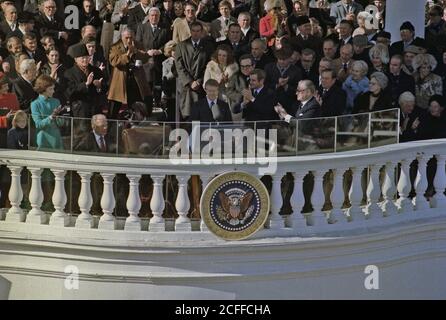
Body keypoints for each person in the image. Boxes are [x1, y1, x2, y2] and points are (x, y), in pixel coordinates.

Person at [175, 21, 213, 120]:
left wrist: (199, 81)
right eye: (193, 31)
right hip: (186, 86)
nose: (196, 33)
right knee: (186, 116)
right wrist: (190, 82)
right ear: (190, 32)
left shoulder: (208, 46)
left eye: (198, 31)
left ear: (201, 32)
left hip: (201, 86)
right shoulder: (181, 46)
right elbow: (179, 66)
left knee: (200, 116)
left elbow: (209, 66)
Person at [64, 43, 106, 118]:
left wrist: (99, 86)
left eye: (87, 57)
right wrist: (85, 84)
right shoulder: (69, 73)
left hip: (95, 109)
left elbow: (105, 88)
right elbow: (69, 92)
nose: (85, 60)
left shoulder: (96, 70)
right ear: (75, 59)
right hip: (79, 110)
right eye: (82, 58)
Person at [30, 74, 64, 150]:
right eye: (51, 89)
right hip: (43, 139)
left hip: (56, 138)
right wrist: (51, 117)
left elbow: (61, 123)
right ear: (43, 89)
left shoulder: (56, 101)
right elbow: (38, 124)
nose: (53, 91)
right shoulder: (35, 104)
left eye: (53, 88)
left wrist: (59, 117)